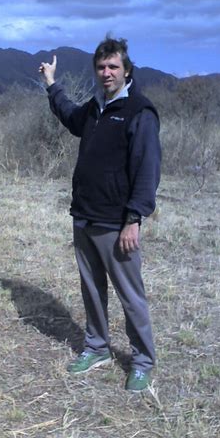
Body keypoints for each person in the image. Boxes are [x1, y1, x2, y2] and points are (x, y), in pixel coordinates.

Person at [39, 36, 161, 392]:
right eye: (101, 67)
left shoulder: (139, 111)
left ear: (126, 70)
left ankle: (141, 361)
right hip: (85, 217)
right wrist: (51, 84)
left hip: (116, 223)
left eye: (113, 67)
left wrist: (133, 219)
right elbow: (70, 116)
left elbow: (147, 170)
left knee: (130, 296)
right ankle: (97, 347)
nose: (106, 73)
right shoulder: (96, 108)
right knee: (92, 290)